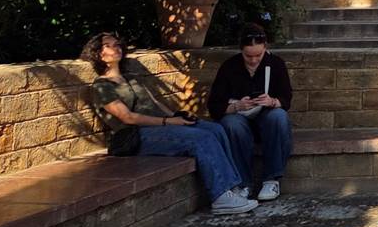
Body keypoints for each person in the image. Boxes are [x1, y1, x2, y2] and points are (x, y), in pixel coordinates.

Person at [83, 32, 257, 215]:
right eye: (109, 45)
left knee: (215, 129)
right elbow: (128, 117)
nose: (116, 48)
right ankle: (221, 197)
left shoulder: (131, 78)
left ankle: (233, 186)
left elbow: (154, 103)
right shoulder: (102, 86)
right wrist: (168, 122)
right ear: (98, 54)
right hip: (135, 135)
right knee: (201, 138)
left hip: (160, 126)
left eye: (117, 44)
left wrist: (177, 116)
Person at [208, 24, 294, 201]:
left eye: (258, 55)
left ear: (265, 48)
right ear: (241, 50)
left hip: (267, 119)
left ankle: (272, 179)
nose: (253, 60)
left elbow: (286, 99)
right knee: (231, 124)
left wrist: (272, 101)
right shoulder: (229, 67)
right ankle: (243, 183)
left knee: (278, 117)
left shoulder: (276, 64)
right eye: (248, 56)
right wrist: (236, 106)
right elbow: (214, 106)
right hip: (239, 119)